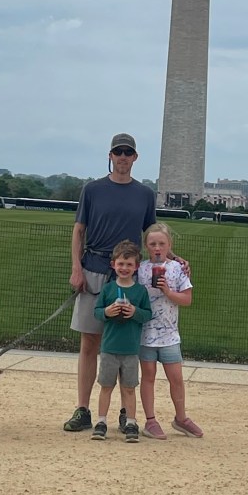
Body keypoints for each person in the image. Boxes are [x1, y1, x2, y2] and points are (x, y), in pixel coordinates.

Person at [64, 133, 157, 432]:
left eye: (128, 152)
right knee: (89, 342)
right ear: (110, 155)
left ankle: (124, 411)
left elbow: (151, 235)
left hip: (128, 275)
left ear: (135, 157)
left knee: (124, 345)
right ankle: (83, 408)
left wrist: (172, 257)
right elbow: (79, 230)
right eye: (118, 152)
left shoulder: (145, 194)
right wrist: (76, 268)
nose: (123, 157)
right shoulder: (92, 190)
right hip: (94, 268)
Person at [137, 223, 202, 439]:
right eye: (152, 244)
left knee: (176, 378)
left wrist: (168, 291)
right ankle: (150, 420)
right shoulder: (141, 269)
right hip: (146, 334)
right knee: (148, 376)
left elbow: (187, 299)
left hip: (170, 335)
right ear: (146, 246)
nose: (157, 248)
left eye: (161, 244)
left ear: (169, 245)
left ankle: (181, 418)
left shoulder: (177, 269)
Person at [90, 240, 152, 442]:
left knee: (129, 388)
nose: (124, 268)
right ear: (113, 264)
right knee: (106, 386)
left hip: (130, 349)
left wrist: (134, 311)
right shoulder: (108, 289)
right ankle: (101, 421)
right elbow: (97, 312)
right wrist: (107, 312)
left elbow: (147, 314)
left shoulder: (140, 291)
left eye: (129, 264)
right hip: (109, 347)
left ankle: (131, 422)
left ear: (136, 267)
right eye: (121, 264)